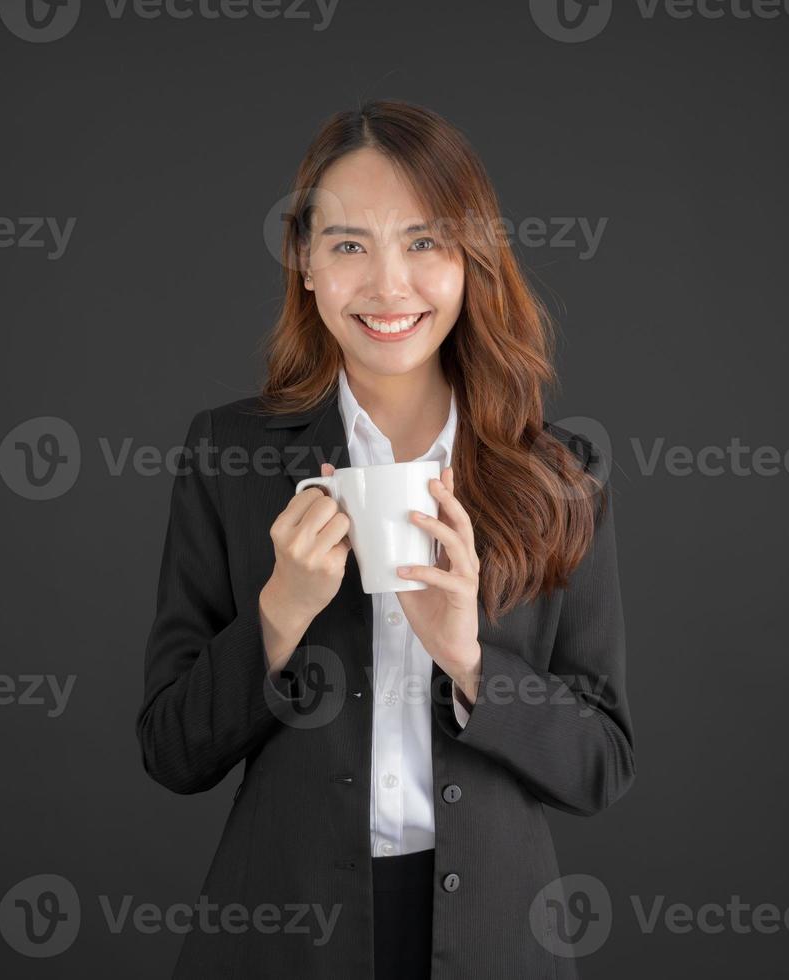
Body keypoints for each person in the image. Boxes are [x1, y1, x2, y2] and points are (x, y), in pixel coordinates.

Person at [136, 99, 636, 979]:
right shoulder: (230, 453)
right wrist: (277, 619)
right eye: (349, 245)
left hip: (494, 938)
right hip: (284, 936)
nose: (388, 287)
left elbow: (602, 762)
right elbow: (172, 751)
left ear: (471, 258)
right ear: (303, 262)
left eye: (424, 242)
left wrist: (472, 659)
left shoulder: (562, 472)